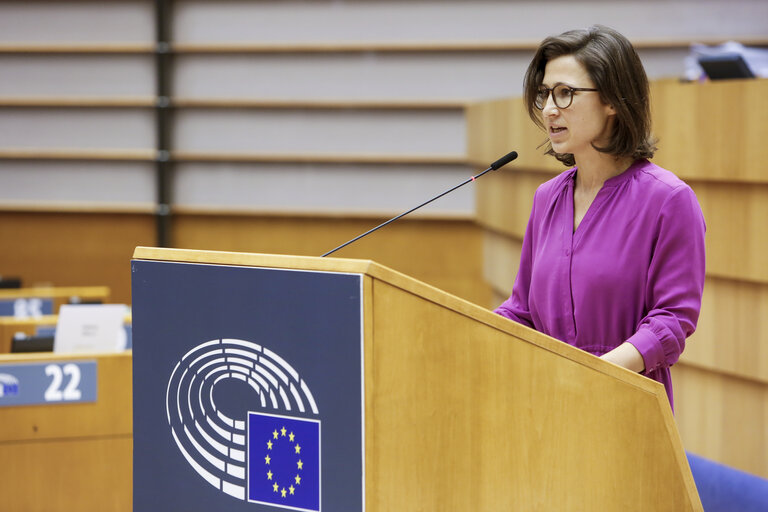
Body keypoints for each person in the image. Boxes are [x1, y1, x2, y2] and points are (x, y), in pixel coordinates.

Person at [494, 25, 705, 410]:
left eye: (565, 93)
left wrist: (591, 376)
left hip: (623, 405)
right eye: (544, 94)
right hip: (545, 405)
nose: (549, 109)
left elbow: (672, 322)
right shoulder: (547, 198)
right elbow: (521, 309)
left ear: (612, 100)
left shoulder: (669, 200)